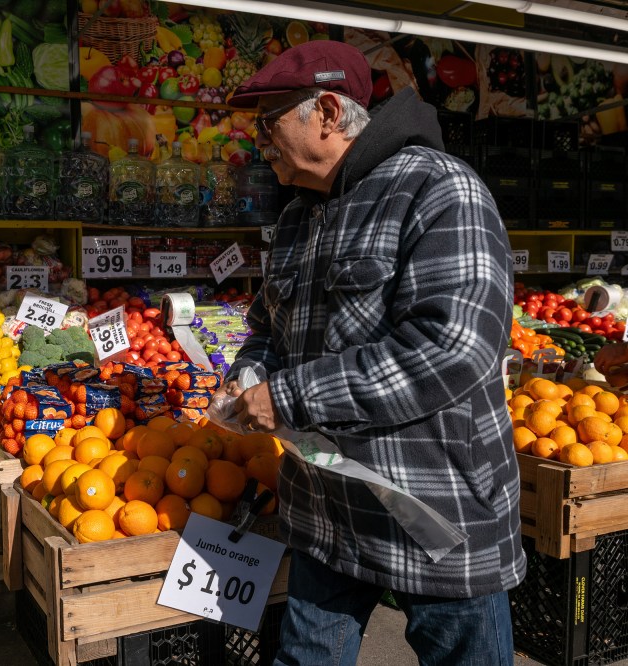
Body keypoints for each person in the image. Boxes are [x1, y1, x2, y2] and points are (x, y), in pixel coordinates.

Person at [224, 41, 524, 665]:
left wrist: (289, 396)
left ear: (328, 113)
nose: (259, 142)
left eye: (268, 123)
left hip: (433, 510)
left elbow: (452, 349)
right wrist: (250, 374)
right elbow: (264, 330)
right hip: (326, 511)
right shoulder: (299, 219)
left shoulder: (439, 191)